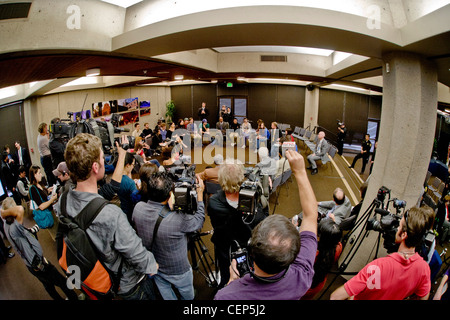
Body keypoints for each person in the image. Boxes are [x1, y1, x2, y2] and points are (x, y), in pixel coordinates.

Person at [54, 133, 159, 300]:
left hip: (97, 278)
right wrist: (152, 264)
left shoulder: (64, 199)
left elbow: (111, 188)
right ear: (95, 167)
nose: (105, 161)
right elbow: (137, 255)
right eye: (103, 158)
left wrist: (122, 154)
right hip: (129, 286)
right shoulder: (111, 214)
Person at [214, 149, 318, 300]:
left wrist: (232, 283)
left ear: (250, 247)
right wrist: (301, 172)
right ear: (293, 256)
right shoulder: (302, 276)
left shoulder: (226, 296)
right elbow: (310, 216)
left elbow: (310, 216)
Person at [330, 206, 432, 300]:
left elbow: (335, 297)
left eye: (399, 226)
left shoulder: (378, 266)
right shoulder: (424, 269)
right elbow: (423, 297)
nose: (396, 229)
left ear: (404, 235)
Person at [132, 172, 205, 300]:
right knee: (187, 293)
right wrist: (199, 195)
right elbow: (199, 221)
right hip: (178, 269)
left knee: (165, 291)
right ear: (170, 194)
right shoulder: (179, 218)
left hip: (154, 265)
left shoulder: (138, 208)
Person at [1, 197, 79, 300]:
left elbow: (22, 236)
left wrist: (30, 231)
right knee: (61, 281)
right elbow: (20, 209)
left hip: (30, 264)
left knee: (48, 286)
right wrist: (3, 212)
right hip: (38, 262)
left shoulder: (6, 225)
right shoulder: (14, 226)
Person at [207, 159, 268, 289]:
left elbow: (215, 224)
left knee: (226, 276)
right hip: (248, 246)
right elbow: (263, 222)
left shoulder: (213, 202)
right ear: (242, 178)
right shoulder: (253, 199)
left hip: (225, 248)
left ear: (221, 179)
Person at [301, 218, 343, 300]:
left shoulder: (311, 254)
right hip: (318, 285)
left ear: (319, 238)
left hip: (303, 286)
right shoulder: (339, 247)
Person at [117, 152, 139, 223]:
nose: (133, 166)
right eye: (133, 164)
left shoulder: (116, 178)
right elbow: (136, 199)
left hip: (123, 208)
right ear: (127, 165)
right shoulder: (130, 183)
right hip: (131, 211)